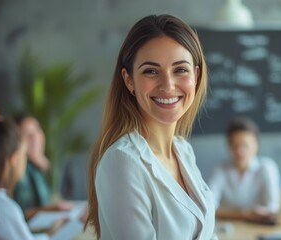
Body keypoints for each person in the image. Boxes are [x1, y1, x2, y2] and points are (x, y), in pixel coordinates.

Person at [86, 14, 216, 239]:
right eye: (151, 71)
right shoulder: (122, 162)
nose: (168, 85)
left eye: (180, 70)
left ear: (195, 76)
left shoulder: (183, 151)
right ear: (129, 80)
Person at [0, 109, 65, 239]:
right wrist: (51, 234)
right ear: (14, 159)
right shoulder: (1, 207)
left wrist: (48, 234)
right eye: (23, 155)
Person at [208, 116, 281, 223]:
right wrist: (244, 215)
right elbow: (209, 208)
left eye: (245, 145)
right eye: (235, 145)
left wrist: (230, 214)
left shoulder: (267, 167)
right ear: (228, 145)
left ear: (256, 145)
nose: (240, 151)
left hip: (258, 227)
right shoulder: (220, 170)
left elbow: (273, 208)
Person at [13, 114, 73, 220]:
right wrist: (54, 209)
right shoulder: (20, 171)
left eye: (37, 130)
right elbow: (20, 213)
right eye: (27, 133)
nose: (34, 137)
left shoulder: (40, 167)